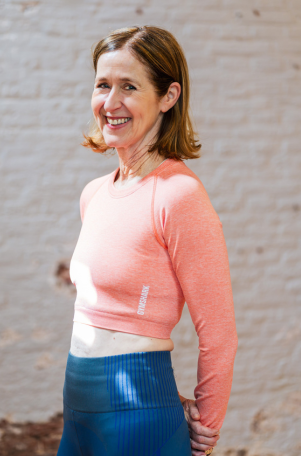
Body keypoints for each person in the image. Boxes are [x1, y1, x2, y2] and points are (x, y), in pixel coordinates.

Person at [57, 25, 238, 456]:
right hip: (78, 409)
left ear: (168, 97)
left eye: (129, 87)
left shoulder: (178, 195)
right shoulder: (95, 193)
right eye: (103, 85)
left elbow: (219, 331)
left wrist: (207, 422)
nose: (111, 103)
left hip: (137, 418)